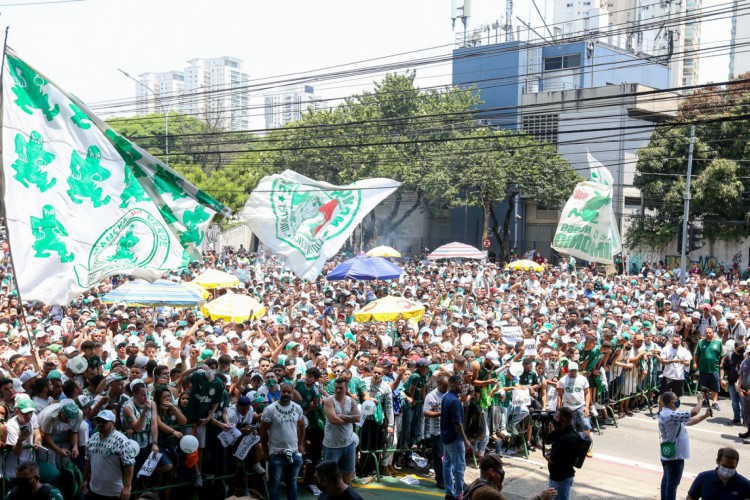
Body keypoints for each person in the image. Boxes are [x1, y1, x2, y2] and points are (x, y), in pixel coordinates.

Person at [657, 391, 711, 500]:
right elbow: (694, 412)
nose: (678, 401)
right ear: (672, 402)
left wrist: (705, 416)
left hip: (668, 454)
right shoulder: (671, 415)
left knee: (667, 482)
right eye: (676, 399)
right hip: (675, 457)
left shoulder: (666, 413)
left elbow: (690, 421)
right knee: (671, 485)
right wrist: (700, 400)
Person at [260, 381, 306, 500]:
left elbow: (302, 426)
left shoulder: (297, 408)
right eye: (284, 391)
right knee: (274, 484)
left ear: (292, 394)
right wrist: (265, 451)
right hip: (276, 453)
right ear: (280, 392)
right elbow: (263, 432)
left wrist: (301, 444)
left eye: (289, 392)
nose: (286, 394)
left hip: (294, 453)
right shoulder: (270, 409)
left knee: (292, 482)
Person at [82, 409, 136, 500]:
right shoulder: (93, 438)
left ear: (112, 423)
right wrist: (84, 480)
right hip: (94, 489)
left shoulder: (121, 440)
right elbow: (88, 460)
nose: (100, 424)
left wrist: (127, 487)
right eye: (98, 421)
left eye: (104, 421)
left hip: (114, 492)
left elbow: (129, 464)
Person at [464, 453, 557, 500]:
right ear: (492, 472)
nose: (502, 472)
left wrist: (498, 485)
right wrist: (540, 497)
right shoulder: (488, 492)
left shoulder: (477, 482)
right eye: (500, 468)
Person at [322, 377, 360, 486]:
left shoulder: (351, 400)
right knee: (329, 476)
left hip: (348, 443)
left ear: (346, 388)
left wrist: (340, 416)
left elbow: (358, 418)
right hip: (332, 445)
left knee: (347, 474)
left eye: (341, 388)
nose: (338, 390)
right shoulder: (329, 401)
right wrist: (349, 418)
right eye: (336, 388)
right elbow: (333, 420)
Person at [441, 374, 472, 500]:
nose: (462, 386)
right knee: (459, 467)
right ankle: (459, 493)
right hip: (454, 438)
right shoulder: (454, 401)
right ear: (452, 384)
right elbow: (457, 423)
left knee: (447, 464)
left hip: (446, 436)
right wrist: (465, 440)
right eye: (459, 384)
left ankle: (449, 492)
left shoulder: (446, 397)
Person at [545, 407, 578, 500]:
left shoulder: (568, 438)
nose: (554, 418)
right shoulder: (562, 431)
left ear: (563, 420)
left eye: (557, 417)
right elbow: (548, 441)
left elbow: (553, 459)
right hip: (556, 476)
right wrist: (553, 430)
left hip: (561, 478)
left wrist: (548, 457)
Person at [423, 374, 448, 489]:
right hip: (437, 430)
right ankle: (440, 479)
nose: (446, 389)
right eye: (444, 387)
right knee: (438, 455)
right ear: (438, 384)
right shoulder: (431, 396)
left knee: (450, 455)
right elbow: (426, 412)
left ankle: (449, 477)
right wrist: (440, 413)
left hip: (449, 430)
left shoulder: (449, 394)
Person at [694, 327, 723, 411]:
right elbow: (696, 354)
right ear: (705, 333)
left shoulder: (718, 343)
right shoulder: (700, 342)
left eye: (710, 333)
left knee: (715, 387)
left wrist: (721, 363)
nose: (708, 334)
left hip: (714, 368)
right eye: (707, 332)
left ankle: (714, 402)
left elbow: (722, 354)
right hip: (703, 368)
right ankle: (705, 401)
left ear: (713, 333)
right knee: (704, 387)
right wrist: (695, 363)